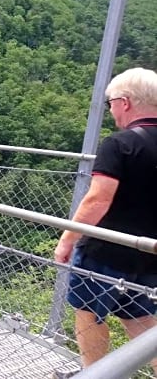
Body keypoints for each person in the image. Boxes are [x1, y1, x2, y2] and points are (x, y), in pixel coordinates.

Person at [54, 67, 157, 371]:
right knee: (143, 324)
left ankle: (95, 374)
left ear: (125, 102)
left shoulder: (120, 144)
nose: (111, 111)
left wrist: (66, 240)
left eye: (110, 103)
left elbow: (98, 199)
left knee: (88, 315)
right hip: (150, 255)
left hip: (106, 252)